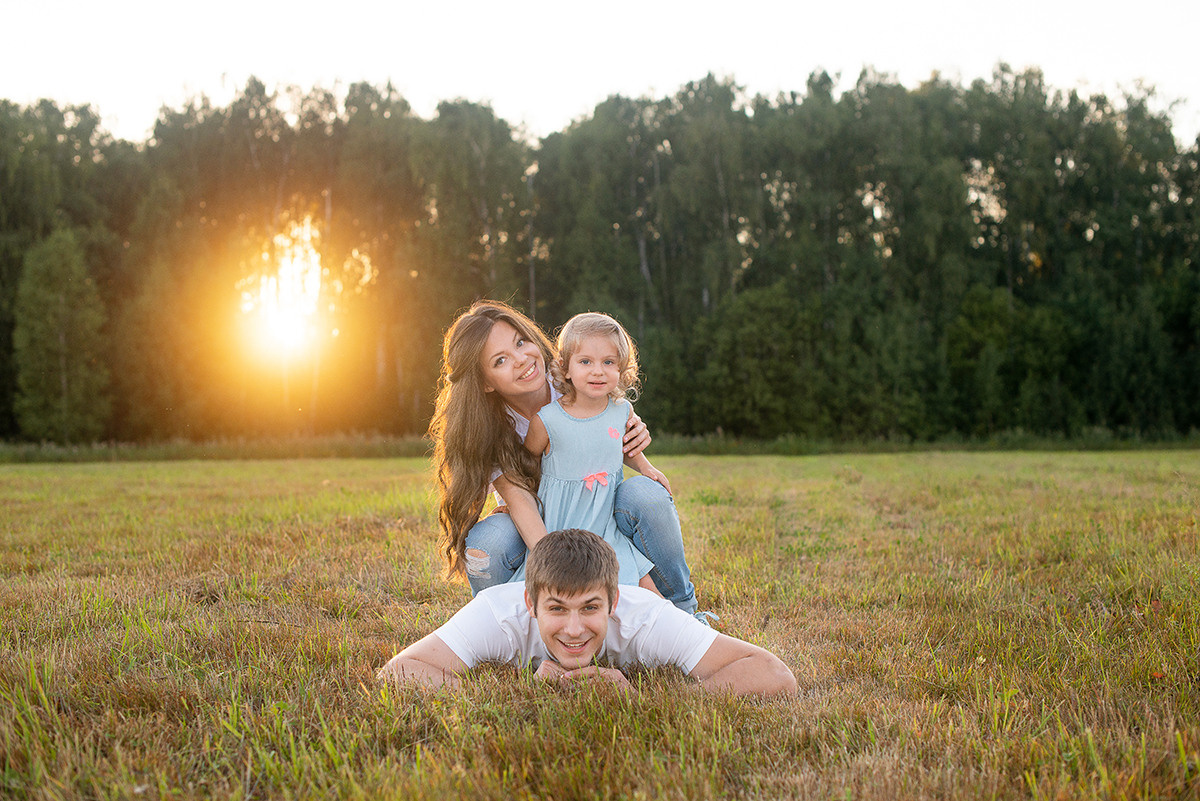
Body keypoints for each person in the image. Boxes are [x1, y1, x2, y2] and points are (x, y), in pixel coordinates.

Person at [429, 300, 699, 613]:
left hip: (599, 505)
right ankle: (510, 621)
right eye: (500, 360)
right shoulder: (487, 427)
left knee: (647, 495)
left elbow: (606, 430)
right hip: (541, 515)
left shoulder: (575, 376)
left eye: (520, 342)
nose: (521, 359)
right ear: (485, 382)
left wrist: (633, 439)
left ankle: (682, 608)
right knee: (486, 544)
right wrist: (555, 564)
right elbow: (520, 499)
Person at [378, 529, 796, 696]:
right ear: (530, 603)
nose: (574, 629)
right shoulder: (498, 613)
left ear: (614, 602)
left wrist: (642, 699)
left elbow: (774, 674)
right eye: (557, 609)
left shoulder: (646, 618)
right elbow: (397, 673)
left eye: (591, 608)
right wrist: (511, 696)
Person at [517, 312, 666, 592]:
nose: (598, 371)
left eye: (608, 362)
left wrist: (646, 467)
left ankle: (679, 615)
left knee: (646, 588)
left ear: (621, 368)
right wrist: (515, 499)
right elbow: (526, 464)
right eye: (585, 362)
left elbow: (624, 446)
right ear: (566, 368)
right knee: (565, 590)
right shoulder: (547, 420)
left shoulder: (622, 411)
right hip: (561, 526)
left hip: (606, 527)